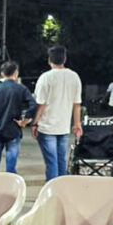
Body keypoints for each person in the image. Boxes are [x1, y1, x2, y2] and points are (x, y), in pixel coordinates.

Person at [31, 46, 83, 181]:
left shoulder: (45, 78)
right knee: (61, 160)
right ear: (65, 59)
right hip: (64, 127)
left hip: (46, 127)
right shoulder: (74, 77)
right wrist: (77, 124)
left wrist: (34, 123)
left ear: (49, 60)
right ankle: (61, 187)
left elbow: (41, 104)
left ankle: (51, 188)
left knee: (51, 162)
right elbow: (77, 104)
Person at [0, 61, 38, 173]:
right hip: (13, 128)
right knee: (11, 166)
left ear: (2, 73)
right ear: (16, 73)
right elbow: (33, 105)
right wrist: (25, 120)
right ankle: (10, 182)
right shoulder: (21, 89)